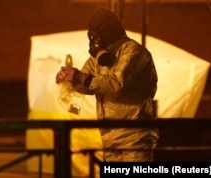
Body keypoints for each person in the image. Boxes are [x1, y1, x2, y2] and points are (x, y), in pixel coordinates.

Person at [56, 6, 159, 162]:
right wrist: (70, 80)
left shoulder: (133, 52)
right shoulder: (98, 57)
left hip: (134, 136)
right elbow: (87, 83)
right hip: (110, 138)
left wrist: (82, 78)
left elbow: (118, 84)